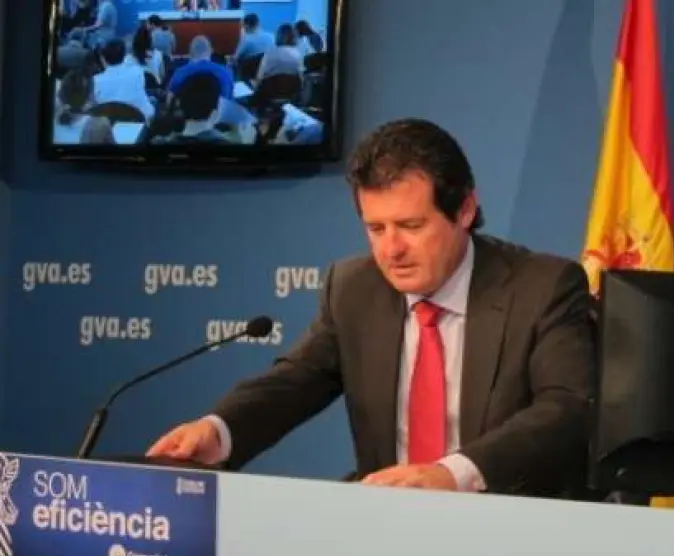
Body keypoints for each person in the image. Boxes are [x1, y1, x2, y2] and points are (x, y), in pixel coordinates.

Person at [146, 118, 596, 498]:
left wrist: (452, 474)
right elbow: (296, 381)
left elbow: (566, 407)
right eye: (376, 229)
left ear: (464, 210)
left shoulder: (542, 288)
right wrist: (219, 429)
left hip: (509, 522)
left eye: (410, 226)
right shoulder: (354, 288)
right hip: (383, 521)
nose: (391, 250)